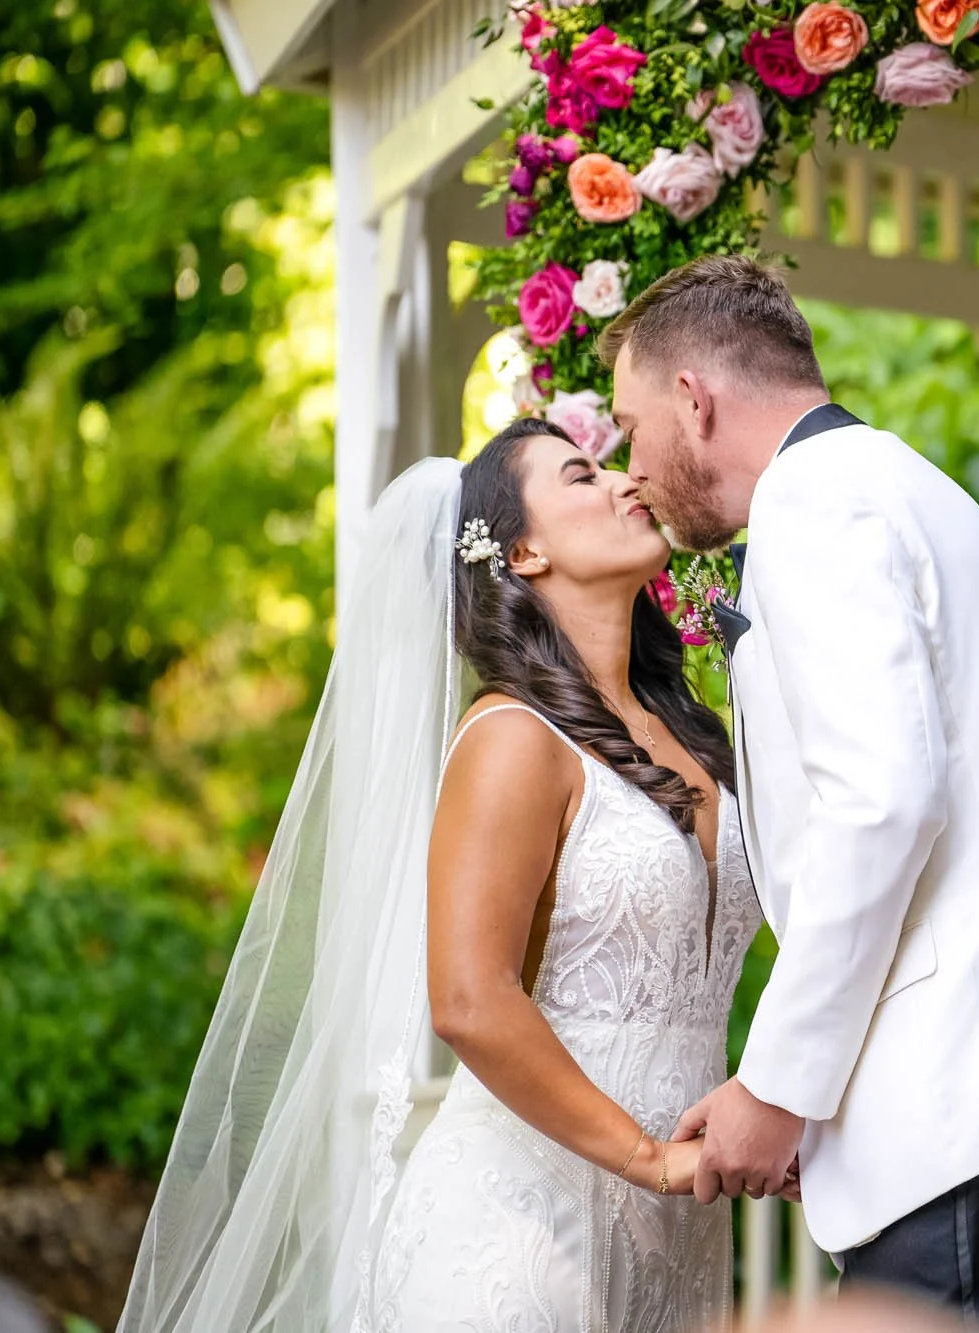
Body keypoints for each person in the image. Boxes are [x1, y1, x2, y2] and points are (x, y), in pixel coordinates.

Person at [605, 254, 979, 1333]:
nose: (632, 469)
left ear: (694, 399)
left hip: (959, 1098)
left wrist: (775, 1089)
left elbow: (882, 802)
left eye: (633, 427)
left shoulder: (815, 504)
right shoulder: (904, 484)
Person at [118, 420, 759, 1332]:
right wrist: (649, 1157)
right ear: (524, 550)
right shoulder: (512, 737)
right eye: (583, 474)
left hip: (676, 1232)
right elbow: (468, 997)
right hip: (520, 1235)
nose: (626, 484)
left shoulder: (695, 735)